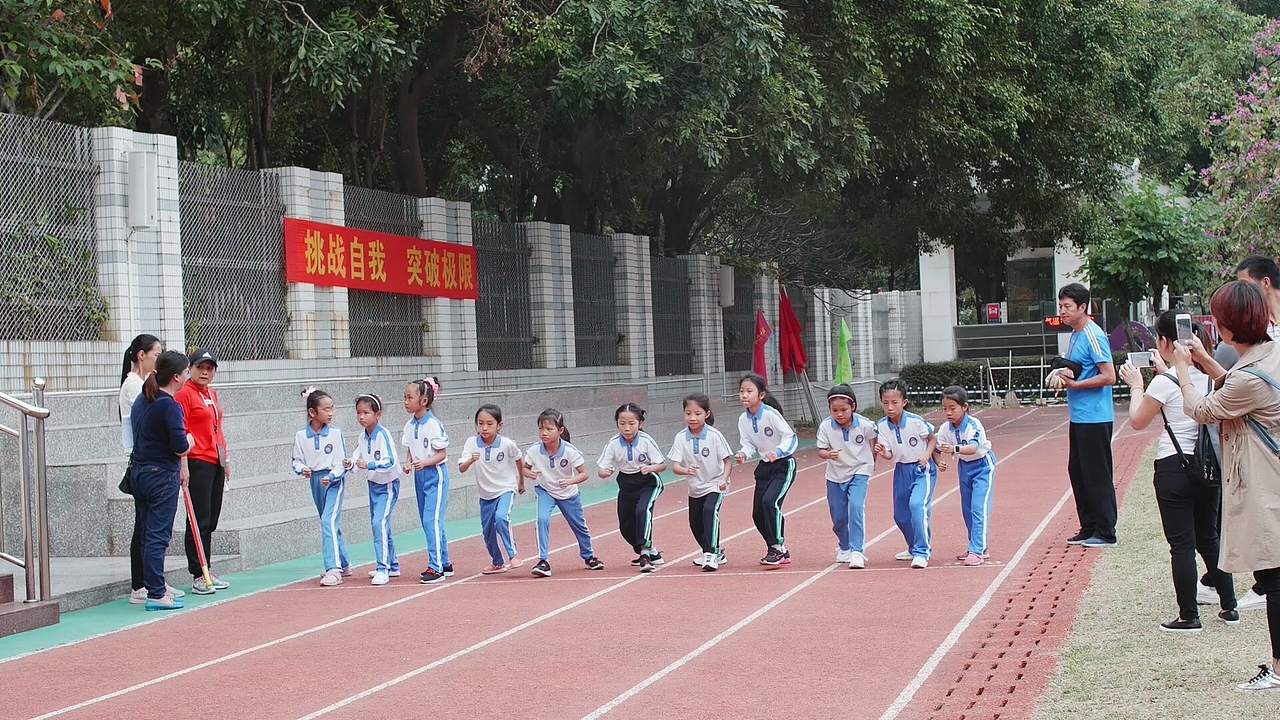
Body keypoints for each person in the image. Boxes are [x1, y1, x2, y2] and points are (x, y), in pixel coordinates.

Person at [1175, 280, 1280, 690]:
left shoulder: (1247, 378)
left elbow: (1202, 410)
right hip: (1271, 477)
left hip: (1264, 484)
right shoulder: (1269, 357)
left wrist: (1183, 372)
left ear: (1228, 328)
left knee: (1274, 580)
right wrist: (1205, 362)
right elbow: (1243, 387)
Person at [1118, 312, 1237, 633]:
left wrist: (1136, 386)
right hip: (1210, 466)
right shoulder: (1212, 376)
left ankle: (1189, 615)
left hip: (1174, 467)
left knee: (1182, 544)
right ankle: (1229, 605)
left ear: (1164, 342)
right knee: (1209, 538)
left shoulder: (1163, 382)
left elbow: (1138, 421)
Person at [119, 335, 184, 605]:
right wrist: (188, 441)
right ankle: (154, 590)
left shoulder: (143, 400)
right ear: (178, 377)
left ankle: (152, 585)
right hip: (160, 474)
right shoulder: (168, 405)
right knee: (157, 534)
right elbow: (180, 444)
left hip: (141, 471)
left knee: (147, 532)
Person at [1053, 283, 1118, 548]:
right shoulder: (1075, 335)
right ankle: (1089, 526)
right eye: (1060, 306)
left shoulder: (1093, 334)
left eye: (1067, 306)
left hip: (1095, 417)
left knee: (1097, 474)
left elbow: (1109, 376)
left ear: (1082, 307)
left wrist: (1076, 385)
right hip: (1079, 416)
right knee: (1078, 471)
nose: (1063, 311)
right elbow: (1082, 369)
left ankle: (1106, 531)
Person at [173, 349, 230, 595]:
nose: (205, 371)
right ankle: (199, 572)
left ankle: (208, 568)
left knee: (212, 518)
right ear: (190, 369)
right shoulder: (184, 395)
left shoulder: (211, 393)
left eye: (210, 367)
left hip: (214, 460)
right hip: (197, 461)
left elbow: (217, 429)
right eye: (200, 367)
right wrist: (183, 464)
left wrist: (225, 459)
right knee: (199, 519)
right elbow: (180, 429)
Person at [523, 409, 604, 577]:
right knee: (541, 519)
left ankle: (589, 556)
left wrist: (569, 481)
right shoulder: (534, 450)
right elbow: (524, 468)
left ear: (560, 430)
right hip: (546, 490)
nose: (544, 433)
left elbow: (584, 473)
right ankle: (543, 561)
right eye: (540, 429)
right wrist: (527, 473)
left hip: (568, 493)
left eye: (549, 429)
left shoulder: (570, 451)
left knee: (579, 525)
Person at [734, 373, 799, 567]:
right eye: (741, 391)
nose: (744, 395)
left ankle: (777, 548)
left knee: (770, 502)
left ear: (761, 395)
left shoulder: (771, 414)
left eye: (749, 391)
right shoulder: (743, 420)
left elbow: (791, 437)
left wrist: (778, 452)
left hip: (783, 465)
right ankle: (777, 548)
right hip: (764, 467)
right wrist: (743, 454)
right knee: (757, 513)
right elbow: (747, 444)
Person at [292, 388, 352, 587]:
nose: (330, 412)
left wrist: (333, 475)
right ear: (312, 412)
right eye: (326, 409)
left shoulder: (335, 433)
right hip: (315, 481)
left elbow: (341, 461)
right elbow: (296, 461)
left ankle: (333, 569)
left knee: (327, 521)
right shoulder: (301, 435)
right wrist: (303, 470)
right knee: (329, 521)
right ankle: (344, 563)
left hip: (333, 482)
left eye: (332, 408)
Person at [598, 403, 668, 572]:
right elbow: (601, 470)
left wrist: (650, 468)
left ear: (640, 423)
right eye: (622, 424)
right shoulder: (613, 443)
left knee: (642, 511)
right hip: (626, 483)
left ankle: (644, 554)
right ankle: (652, 551)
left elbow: (662, 465)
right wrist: (605, 472)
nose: (627, 428)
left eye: (631, 423)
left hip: (648, 481)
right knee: (625, 525)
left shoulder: (646, 441)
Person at [874, 379, 936, 569]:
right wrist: (883, 453)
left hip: (920, 469)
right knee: (900, 516)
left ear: (904, 402)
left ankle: (922, 551)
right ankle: (912, 547)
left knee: (917, 505)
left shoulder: (916, 422)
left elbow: (932, 439)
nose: (890, 407)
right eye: (885, 403)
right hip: (901, 470)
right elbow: (890, 453)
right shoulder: (882, 425)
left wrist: (926, 455)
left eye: (894, 403)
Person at [668, 394, 733, 572]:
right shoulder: (681, 437)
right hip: (695, 487)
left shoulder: (714, 435)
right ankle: (715, 551)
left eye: (697, 413)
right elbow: (675, 466)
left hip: (715, 483)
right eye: (688, 413)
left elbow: (727, 461)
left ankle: (710, 554)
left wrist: (723, 479)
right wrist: (685, 470)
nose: (692, 418)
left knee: (709, 511)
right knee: (694, 522)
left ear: (707, 414)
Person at [933, 386, 995, 567]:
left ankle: (977, 550)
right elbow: (935, 448)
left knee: (978, 507)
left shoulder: (974, 425)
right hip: (964, 467)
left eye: (953, 408)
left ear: (964, 407)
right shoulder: (945, 429)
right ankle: (977, 545)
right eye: (945, 408)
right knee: (967, 509)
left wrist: (954, 449)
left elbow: (974, 448)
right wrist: (938, 462)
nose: (948, 412)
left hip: (982, 466)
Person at [459, 404, 524, 575]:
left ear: (499, 425)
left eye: (489, 424)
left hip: (505, 489)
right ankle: (497, 562)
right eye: (480, 424)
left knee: (501, 518)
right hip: (485, 495)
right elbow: (461, 468)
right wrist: (470, 460)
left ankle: (513, 555)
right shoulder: (472, 442)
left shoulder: (506, 443)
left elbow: (518, 459)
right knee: (487, 532)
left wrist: (521, 481)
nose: (484, 428)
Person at [816, 384, 876, 570]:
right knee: (838, 516)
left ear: (853, 407)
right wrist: (829, 454)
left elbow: (875, 436)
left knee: (856, 507)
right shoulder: (826, 426)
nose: (839, 414)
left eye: (844, 410)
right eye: (835, 410)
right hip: (835, 474)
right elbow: (821, 450)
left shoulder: (864, 424)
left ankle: (857, 551)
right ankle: (844, 545)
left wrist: (872, 458)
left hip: (859, 470)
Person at [401, 377, 452, 584]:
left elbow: (442, 454)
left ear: (423, 401)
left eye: (409, 397)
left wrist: (425, 462)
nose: (405, 401)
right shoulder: (409, 425)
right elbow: (410, 449)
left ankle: (436, 567)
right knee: (428, 521)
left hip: (435, 475)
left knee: (432, 520)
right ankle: (445, 562)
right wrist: (408, 462)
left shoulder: (433, 424)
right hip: (419, 476)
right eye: (404, 397)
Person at [352, 393, 400, 586]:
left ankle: (383, 568)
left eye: (366, 412)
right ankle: (393, 565)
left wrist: (369, 464)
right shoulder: (362, 437)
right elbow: (356, 457)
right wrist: (350, 463)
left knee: (378, 523)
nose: (361, 417)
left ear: (377, 414)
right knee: (380, 524)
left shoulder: (383, 434)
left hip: (387, 485)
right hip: (373, 485)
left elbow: (390, 461)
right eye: (358, 413)